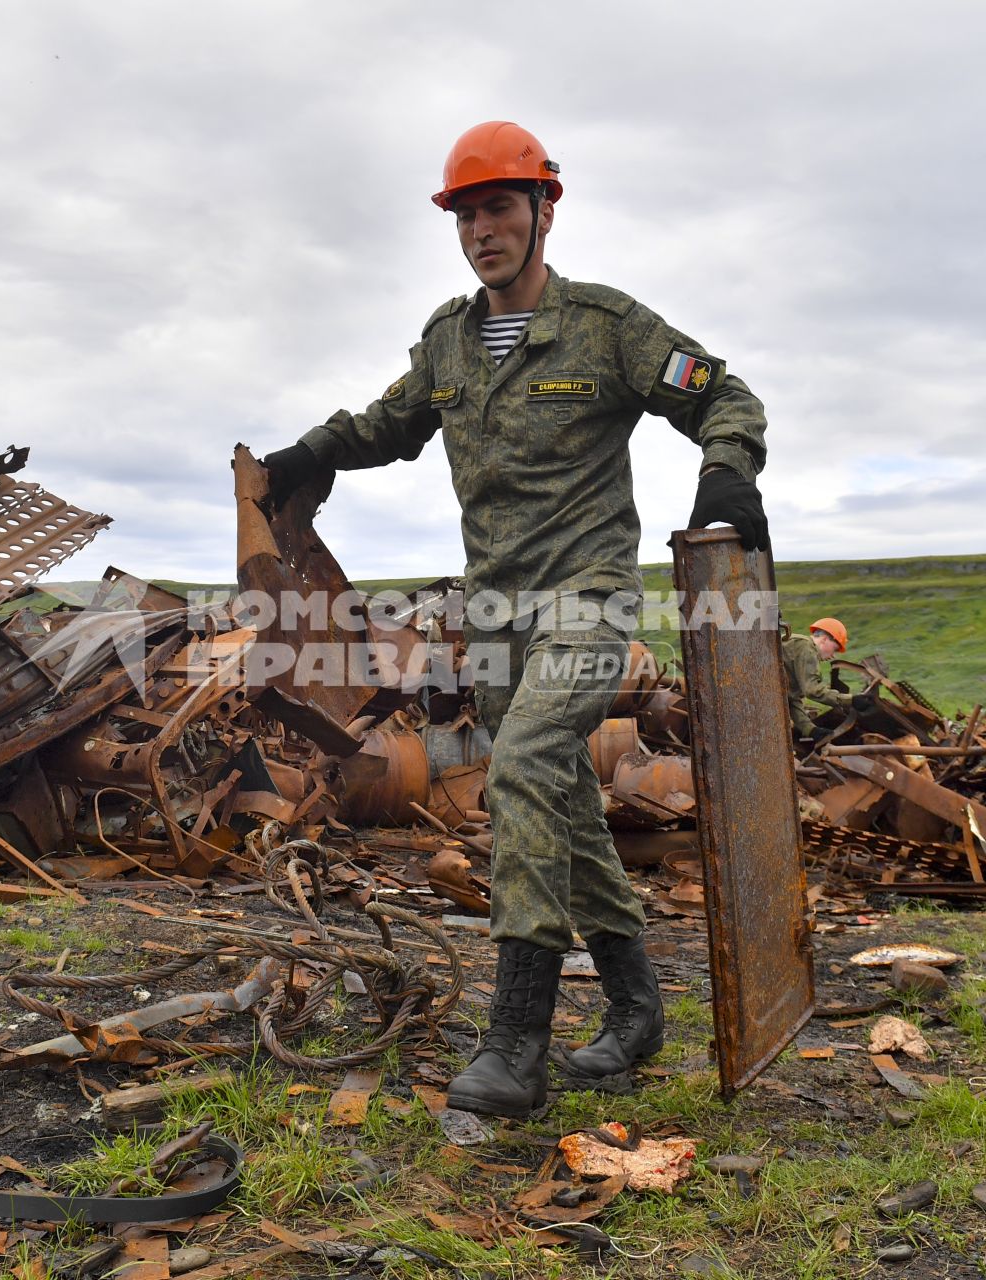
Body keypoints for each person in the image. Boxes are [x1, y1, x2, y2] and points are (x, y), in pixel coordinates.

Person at [258, 121, 769, 1117]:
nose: (483, 228)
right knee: (561, 797)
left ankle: (516, 1041)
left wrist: (726, 468)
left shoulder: (608, 327)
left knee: (529, 762)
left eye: (501, 206)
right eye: (467, 212)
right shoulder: (449, 338)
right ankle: (633, 1007)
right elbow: (388, 422)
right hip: (493, 611)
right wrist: (301, 455)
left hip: (586, 595)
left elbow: (723, 395)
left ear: (545, 208)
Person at [783, 616, 852, 739]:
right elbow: (812, 690)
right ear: (824, 639)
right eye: (834, 649)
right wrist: (851, 700)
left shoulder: (800, 648)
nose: (833, 656)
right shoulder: (807, 648)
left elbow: (792, 698)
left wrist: (810, 730)